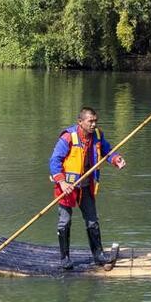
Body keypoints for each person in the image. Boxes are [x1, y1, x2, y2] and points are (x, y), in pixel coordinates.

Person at [49, 107, 126, 269]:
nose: (93, 124)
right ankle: (65, 257)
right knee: (65, 221)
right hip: (67, 187)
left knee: (92, 221)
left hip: (86, 186)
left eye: (95, 121)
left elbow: (107, 151)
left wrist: (116, 159)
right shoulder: (68, 137)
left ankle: (98, 255)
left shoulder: (98, 135)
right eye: (90, 121)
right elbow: (54, 161)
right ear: (80, 122)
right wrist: (62, 182)